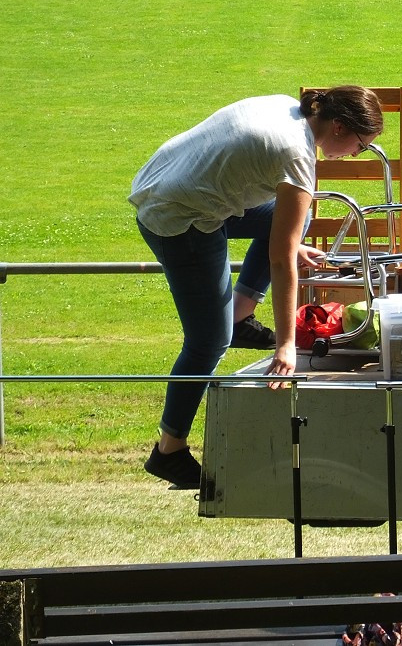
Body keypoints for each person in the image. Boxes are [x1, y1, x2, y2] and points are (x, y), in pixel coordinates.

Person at [130, 85, 384, 489]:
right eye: (359, 145)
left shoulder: (286, 106)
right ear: (339, 127)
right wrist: (286, 344)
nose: (356, 154)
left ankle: (241, 313)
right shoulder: (297, 155)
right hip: (178, 217)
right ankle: (169, 450)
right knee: (208, 341)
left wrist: (289, 240)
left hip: (166, 184)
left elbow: (279, 231)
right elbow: (281, 262)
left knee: (295, 218)